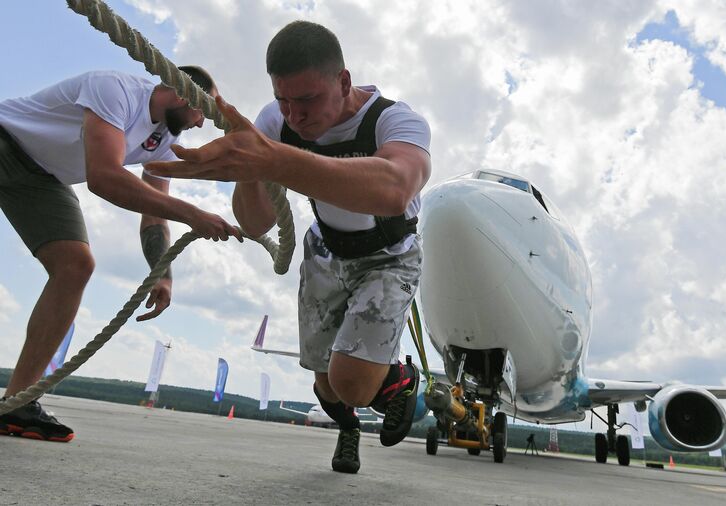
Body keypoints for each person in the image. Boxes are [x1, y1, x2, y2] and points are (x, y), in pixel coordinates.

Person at [146, 21, 431, 474]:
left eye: (307, 100)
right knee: (325, 386)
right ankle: (348, 430)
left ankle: (399, 379)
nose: (294, 116)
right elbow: (256, 220)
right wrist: (250, 171)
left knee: (352, 384)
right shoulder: (275, 121)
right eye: (283, 100)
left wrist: (274, 158)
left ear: (343, 81)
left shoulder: (395, 121)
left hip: (388, 256)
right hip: (326, 252)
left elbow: (395, 188)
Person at [0, 66, 242, 442]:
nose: (200, 125)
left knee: (75, 266)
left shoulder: (165, 140)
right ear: (182, 95)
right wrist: (194, 214)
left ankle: (16, 404)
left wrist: (163, 273)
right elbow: (104, 176)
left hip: (43, 179)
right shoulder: (115, 89)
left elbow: (156, 212)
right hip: (5, 139)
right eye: (202, 114)